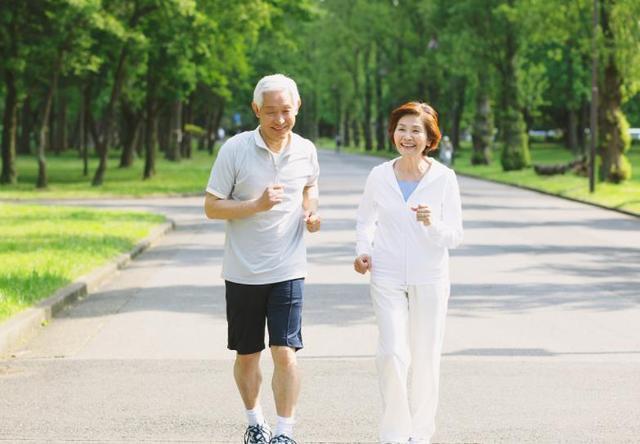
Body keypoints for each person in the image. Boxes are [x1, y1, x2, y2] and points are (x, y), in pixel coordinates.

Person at [204, 74, 321, 444]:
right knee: (248, 356)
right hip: (242, 271)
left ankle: (285, 432)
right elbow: (211, 207)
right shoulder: (234, 150)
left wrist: (310, 212)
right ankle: (255, 421)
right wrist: (255, 205)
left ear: (297, 107)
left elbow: (310, 186)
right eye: (270, 112)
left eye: (285, 111)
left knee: (285, 352)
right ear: (256, 110)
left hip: (288, 268)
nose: (279, 119)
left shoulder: (306, 150)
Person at [354, 101, 463, 444]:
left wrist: (432, 224)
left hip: (429, 276)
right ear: (393, 134)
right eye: (402, 129)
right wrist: (363, 252)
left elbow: (454, 236)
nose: (408, 136)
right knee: (392, 353)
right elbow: (364, 223)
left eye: (416, 130)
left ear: (430, 138)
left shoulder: (443, 178)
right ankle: (394, 434)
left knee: (426, 356)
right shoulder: (379, 175)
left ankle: (420, 433)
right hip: (385, 274)